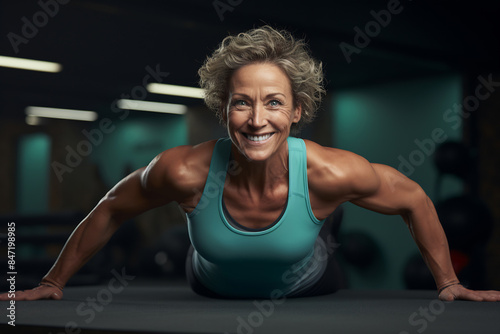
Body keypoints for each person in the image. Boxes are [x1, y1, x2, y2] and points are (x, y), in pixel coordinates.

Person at [1, 26, 499, 302]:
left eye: (274, 103)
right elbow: (110, 207)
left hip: (308, 281)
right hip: (211, 281)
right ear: (223, 110)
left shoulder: (332, 171)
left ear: (298, 110)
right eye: (242, 103)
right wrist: (52, 282)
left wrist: (449, 283)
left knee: (322, 230)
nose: (257, 119)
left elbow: (413, 197)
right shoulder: (182, 170)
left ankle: (321, 227)